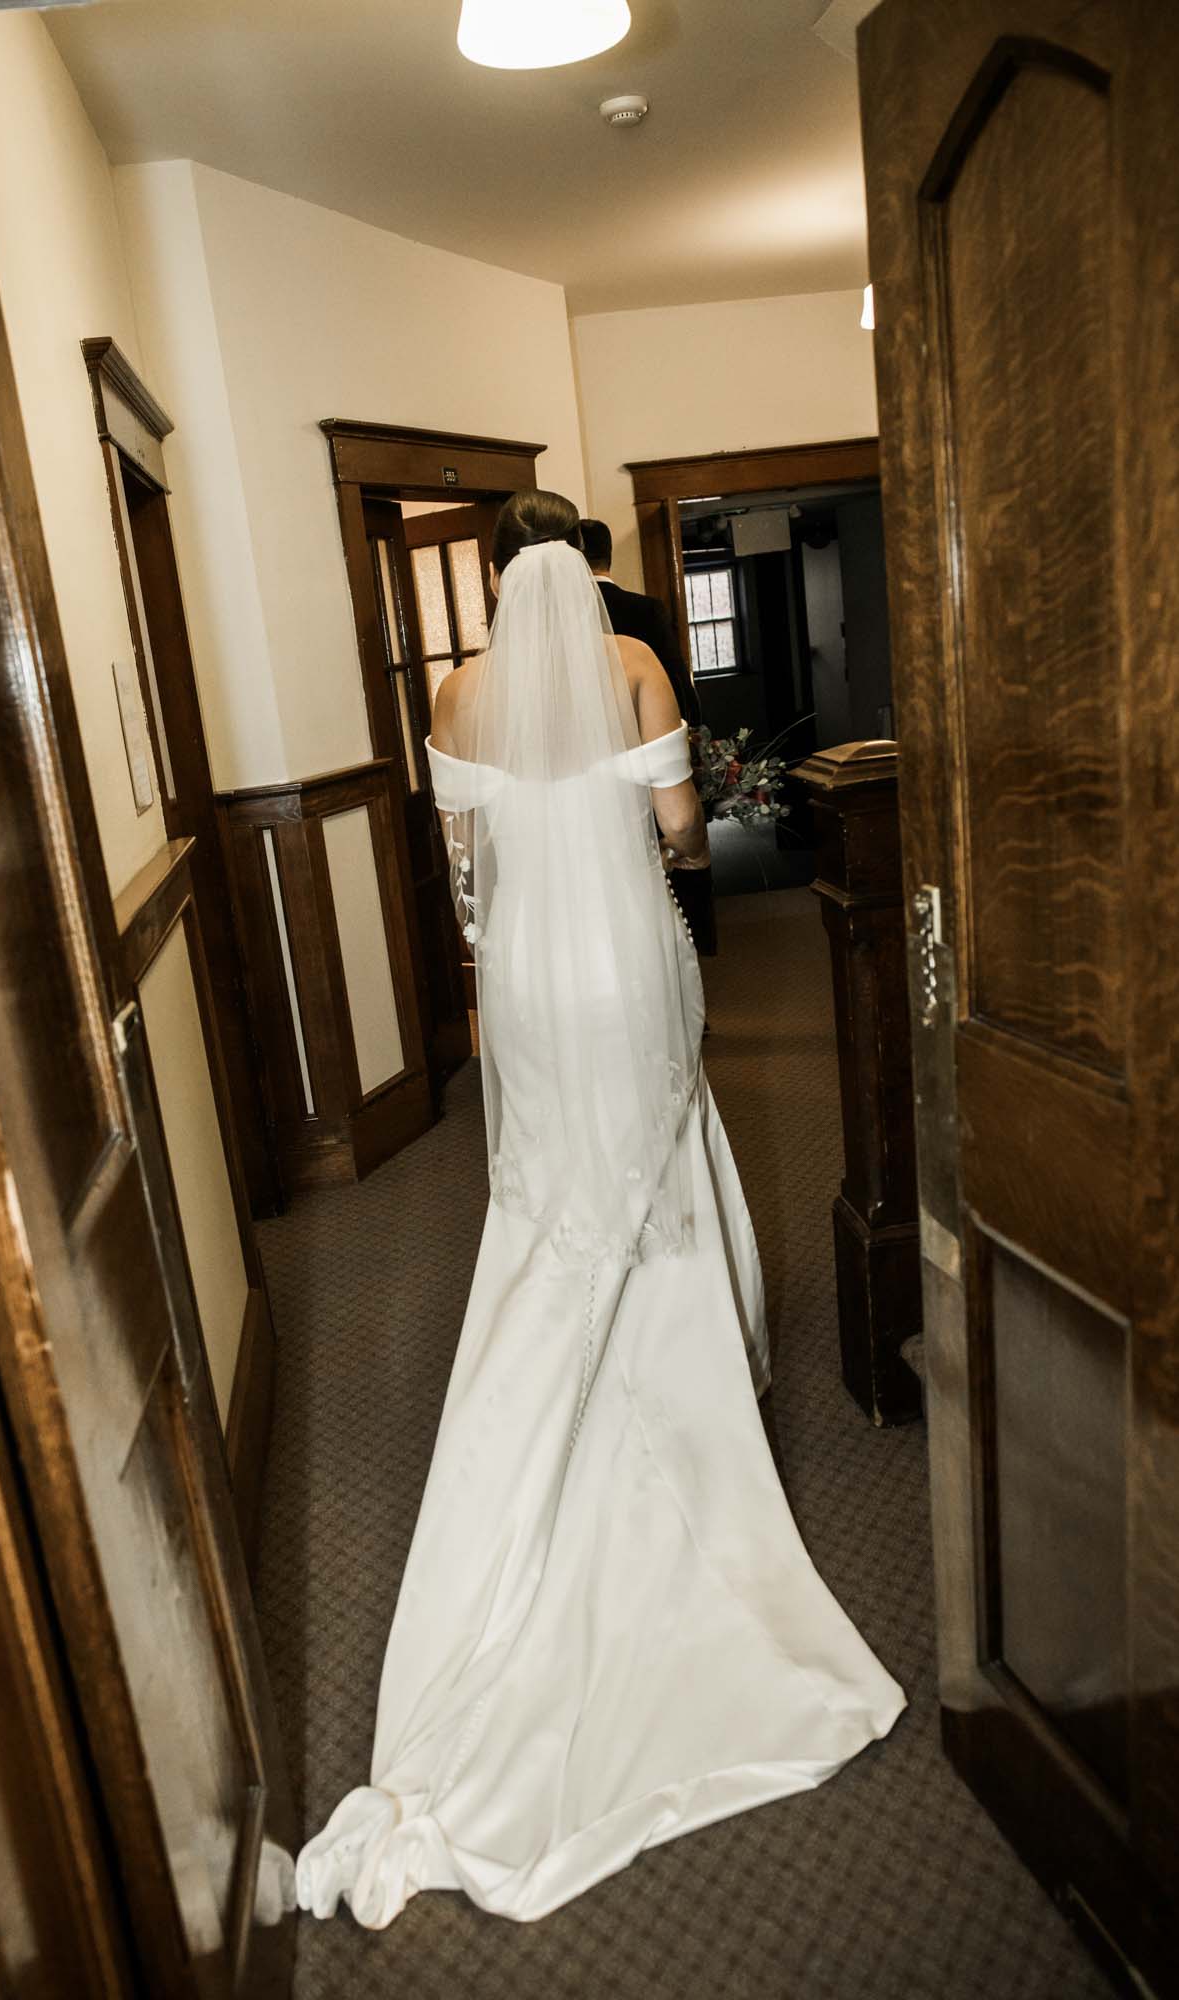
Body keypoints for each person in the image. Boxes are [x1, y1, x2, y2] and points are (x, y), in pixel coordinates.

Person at [294, 490, 904, 1931]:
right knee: (657, 1169)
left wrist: (501, 939)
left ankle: (548, 1396)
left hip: (525, 980)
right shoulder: (636, 670)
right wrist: (651, 870)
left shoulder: (456, 690)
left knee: (545, 1206)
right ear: (592, 572)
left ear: (503, 580)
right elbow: (684, 832)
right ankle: (676, 1381)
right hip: (627, 961)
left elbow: (463, 873)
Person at [579, 517, 718, 957]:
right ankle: (691, 953)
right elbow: (680, 687)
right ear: (608, 556)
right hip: (647, 756)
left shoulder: (555, 623)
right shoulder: (645, 609)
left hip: (588, 771)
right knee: (670, 864)